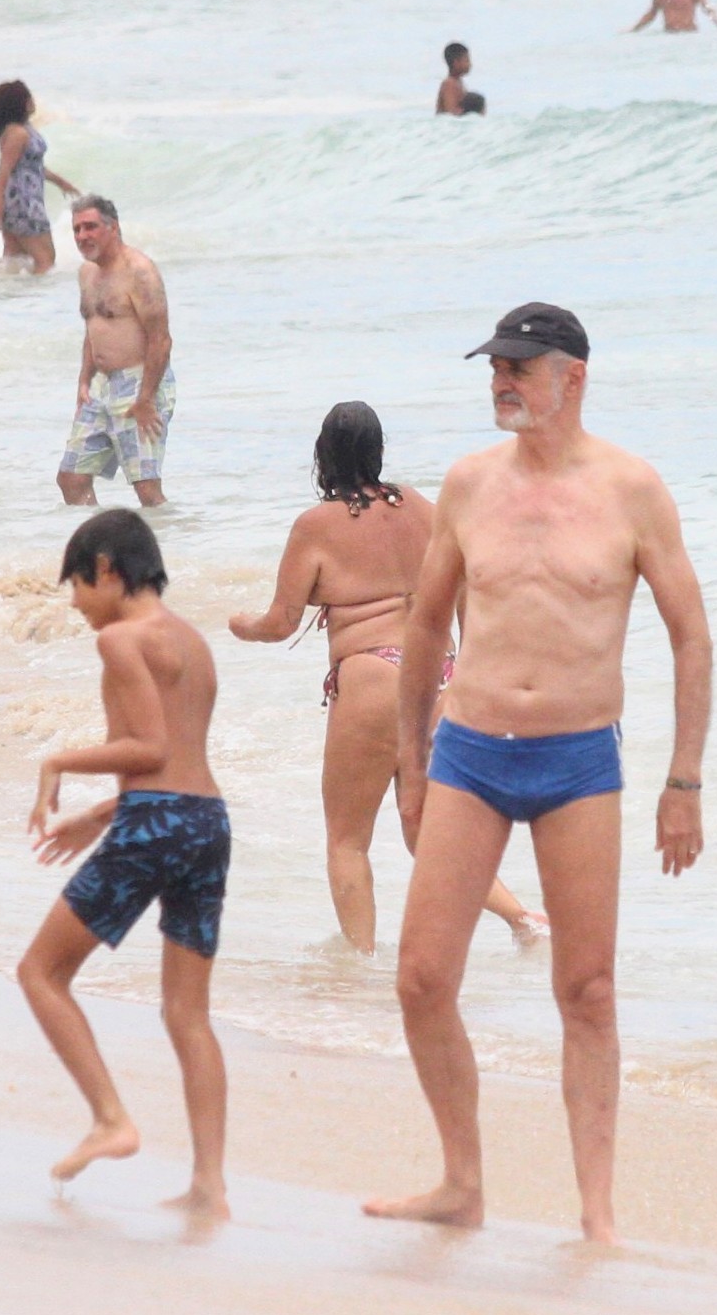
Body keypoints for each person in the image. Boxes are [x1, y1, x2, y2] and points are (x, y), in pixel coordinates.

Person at [361, 303, 710, 1241]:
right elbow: (426, 621)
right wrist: (409, 757)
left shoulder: (632, 490)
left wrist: (684, 782)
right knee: (422, 977)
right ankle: (461, 1182)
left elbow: (690, 636)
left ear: (573, 378)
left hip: (577, 758)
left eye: (519, 365)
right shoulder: (470, 484)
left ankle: (595, 1212)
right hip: (469, 752)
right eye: (494, 367)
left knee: (586, 989)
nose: (501, 380)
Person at [228, 403, 542, 953]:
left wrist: (241, 626)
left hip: (373, 677)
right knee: (425, 833)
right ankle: (523, 921)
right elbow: (467, 595)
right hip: (438, 676)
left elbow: (281, 623)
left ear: (324, 454)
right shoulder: (424, 507)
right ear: (378, 451)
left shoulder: (317, 525)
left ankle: (359, 967)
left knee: (348, 842)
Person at [18, 509, 230, 1221]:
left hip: (155, 824)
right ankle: (210, 1186)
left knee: (41, 971)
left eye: (77, 584)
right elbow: (179, 761)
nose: (75, 603)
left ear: (107, 568)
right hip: (206, 823)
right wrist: (97, 814)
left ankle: (111, 1117)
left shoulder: (118, 638)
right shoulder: (193, 642)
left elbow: (144, 747)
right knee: (188, 1014)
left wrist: (56, 761)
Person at [57, 195, 175, 509]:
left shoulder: (140, 272)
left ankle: (166, 550)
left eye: (90, 227)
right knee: (72, 477)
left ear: (113, 227)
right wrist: (84, 381)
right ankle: (96, 550)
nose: (82, 236)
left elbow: (161, 340)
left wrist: (146, 398)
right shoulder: (87, 273)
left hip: (140, 383)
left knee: (145, 486)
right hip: (100, 387)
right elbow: (92, 330)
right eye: (77, 229)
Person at [0, 81, 79, 275]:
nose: (32, 101)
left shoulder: (24, 128)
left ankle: (4, 296)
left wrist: (62, 183)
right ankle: (37, 303)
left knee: (14, 262)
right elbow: (4, 171)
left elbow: (33, 167)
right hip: (24, 204)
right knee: (46, 260)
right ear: (19, 102)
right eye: (28, 97)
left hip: (21, 202)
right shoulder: (18, 133)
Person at [436, 43, 482, 115]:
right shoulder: (449, 84)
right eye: (467, 60)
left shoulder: (459, 82)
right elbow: (450, 114)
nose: (470, 64)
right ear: (456, 62)